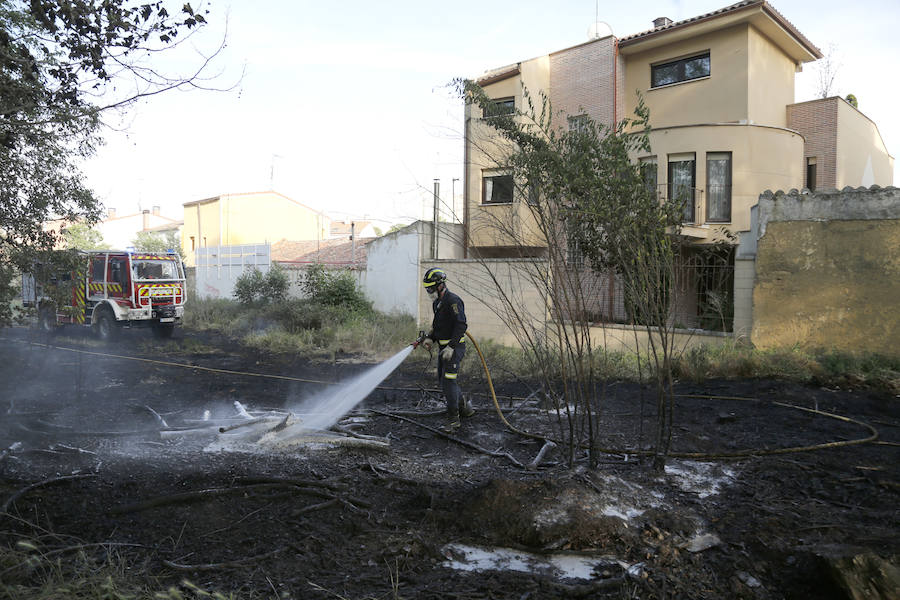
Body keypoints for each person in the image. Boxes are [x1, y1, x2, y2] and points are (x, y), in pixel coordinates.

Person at [419, 267, 475, 433]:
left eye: (430, 288)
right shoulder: (438, 303)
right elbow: (438, 326)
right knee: (444, 381)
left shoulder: (453, 301)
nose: (429, 291)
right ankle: (465, 408)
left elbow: (461, 325)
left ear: (440, 285)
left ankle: (453, 420)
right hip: (444, 348)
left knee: (449, 381)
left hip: (454, 348)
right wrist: (430, 337)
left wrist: (451, 346)